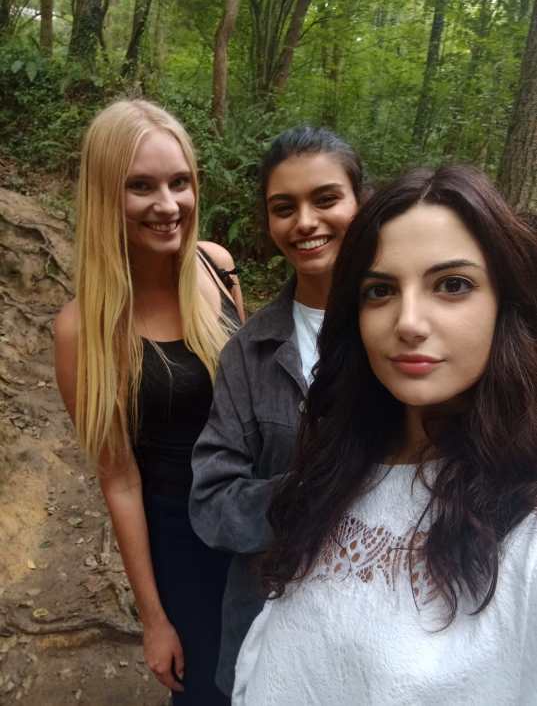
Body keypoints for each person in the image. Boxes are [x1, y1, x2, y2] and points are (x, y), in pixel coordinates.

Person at [233, 165, 537, 705]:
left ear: (505, 303)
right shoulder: (337, 467)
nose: (409, 322)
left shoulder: (524, 526)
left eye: (452, 285)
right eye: (380, 291)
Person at [54, 99, 244, 705]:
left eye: (179, 182)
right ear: (105, 195)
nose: (168, 204)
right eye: (141, 186)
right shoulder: (83, 331)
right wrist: (154, 619)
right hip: (182, 540)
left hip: (255, 517)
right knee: (208, 690)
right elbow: (120, 479)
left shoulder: (216, 267)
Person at [189, 125, 365, 696]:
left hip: (384, 638)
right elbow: (212, 500)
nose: (305, 222)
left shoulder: (408, 330)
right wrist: (315, 492)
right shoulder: (250, 351)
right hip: (272, 630)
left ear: (361, 203)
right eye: (284, 208)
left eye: (326, 199)